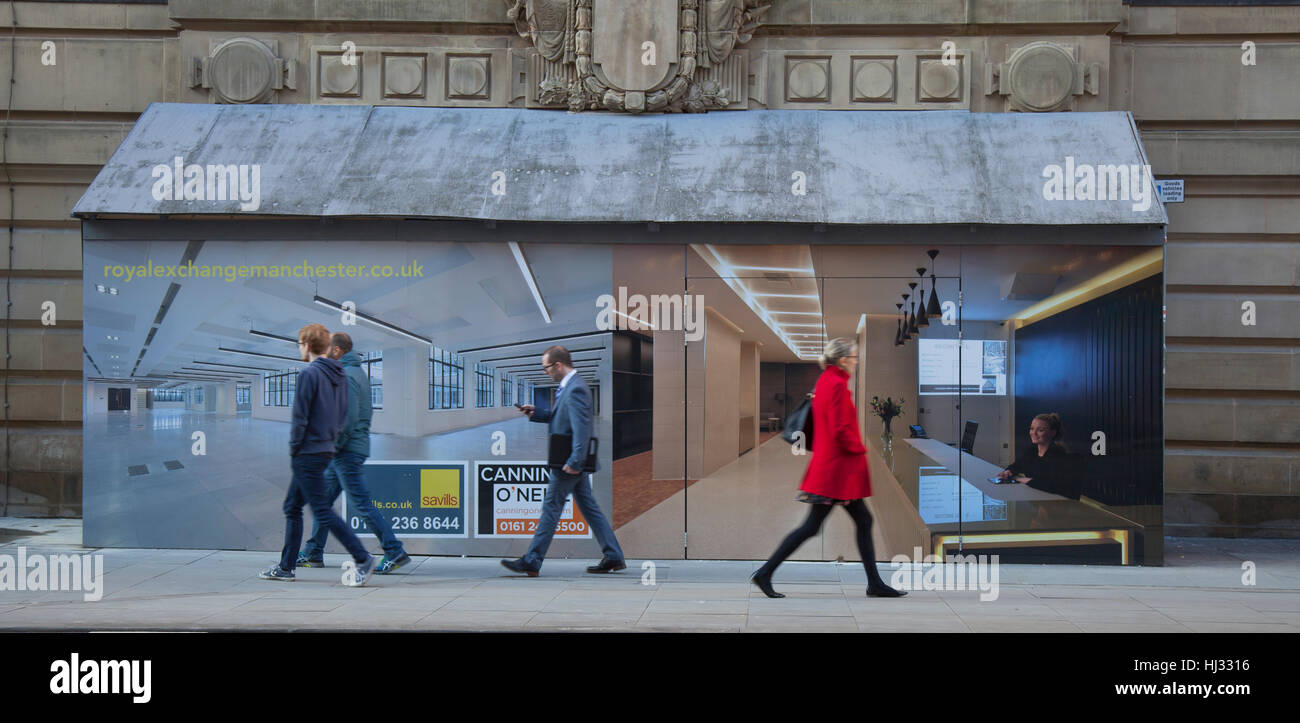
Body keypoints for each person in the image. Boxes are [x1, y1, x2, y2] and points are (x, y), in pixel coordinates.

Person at [751, 337, 906, 599]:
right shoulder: (836, 384)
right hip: (837, 470)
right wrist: (859, 448)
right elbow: (839, 427)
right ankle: (765, 573)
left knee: (847, 522)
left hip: (832, 467)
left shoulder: (826, 381)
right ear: (843, 359)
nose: (856, 362)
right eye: (854, 358)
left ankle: (874, 583)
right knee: (814, 526)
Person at [259, 323, 377, 586]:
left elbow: (300, 418)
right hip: (325, 450)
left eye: (300, 343)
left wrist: (295, 449)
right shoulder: (339, 375)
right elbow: (343, 416)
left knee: (322, 511)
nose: (299, 347)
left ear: (308, 345)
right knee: (293, 507)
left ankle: (362, 558)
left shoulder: (310, 374)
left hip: (308, 452)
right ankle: (286, 566)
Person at [501, 345, 625, 576]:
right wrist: (537, 412)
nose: (545, 372)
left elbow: (582, 428)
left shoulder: (576, 388)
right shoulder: (568, 387)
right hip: (569, 460)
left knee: (551, 507)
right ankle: (614, 555)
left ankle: (532, 559)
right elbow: (562, 418)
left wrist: (576, 461)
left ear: (558, 365)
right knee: (590, 509)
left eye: (546, 368)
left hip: (568, 462)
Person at [296, 333, 410, 574]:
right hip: (345, 450)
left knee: (361, 502)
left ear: (337, 351)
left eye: (327, 350)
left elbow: (346, 419)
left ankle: (394, 550)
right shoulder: (355, 373)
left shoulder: (346, 376)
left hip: (345, 451)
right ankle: (314, 552)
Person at [996, 412, 1078, 499]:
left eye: (1040, 430)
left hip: (1056, 502)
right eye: (1032, 429)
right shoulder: (1032, 450)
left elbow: (1053, 485)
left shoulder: (1058, 454)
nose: (1033, 433)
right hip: (1036, 497)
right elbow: (1018, 465)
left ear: (1052, 433)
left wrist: (1025, 480)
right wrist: (1009, 471)